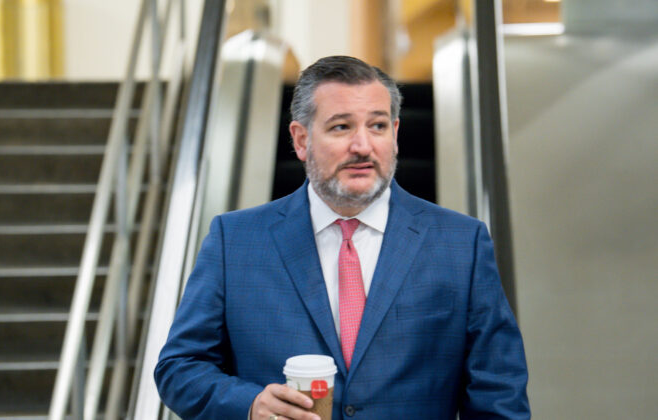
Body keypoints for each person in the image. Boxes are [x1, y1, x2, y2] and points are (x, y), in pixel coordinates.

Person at [155, 55, 530, 419]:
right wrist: (250, 405)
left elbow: (499, 393)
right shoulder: (233, 240)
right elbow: (180, 367)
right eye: (341, 127)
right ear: (301, 140)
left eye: (378, 126)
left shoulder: (461, 243)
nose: (363, 146)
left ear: (396, 134)